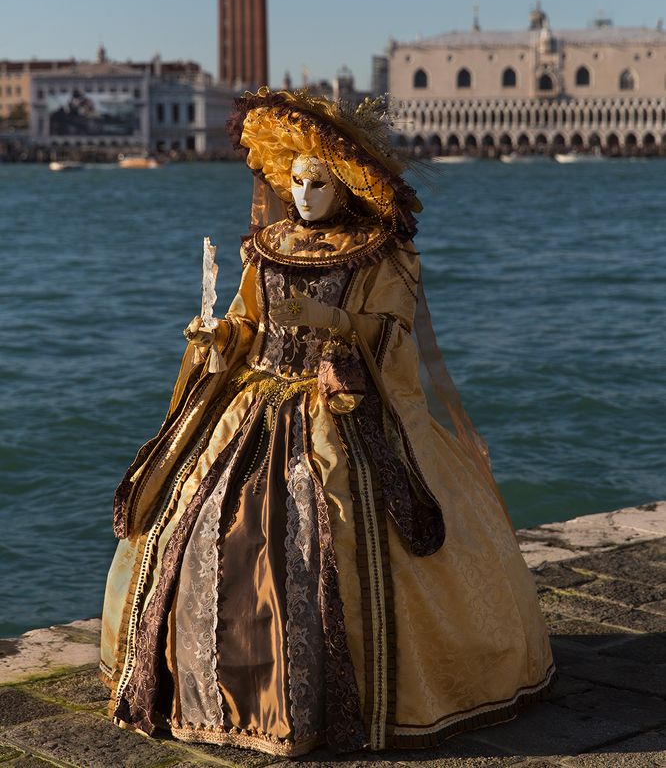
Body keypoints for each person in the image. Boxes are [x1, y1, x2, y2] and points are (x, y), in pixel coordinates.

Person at [100, 86, 554, 758]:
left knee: (336, 529)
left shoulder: (381, 254)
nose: (304, 193)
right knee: (203, 520)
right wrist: (215, 337)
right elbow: (247, 325)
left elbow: (390, 336)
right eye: (297, 180)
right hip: (255, 404)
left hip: (339, 408)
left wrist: (334, 325)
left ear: (344, 184)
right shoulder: (267, 245)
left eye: (319, 181)